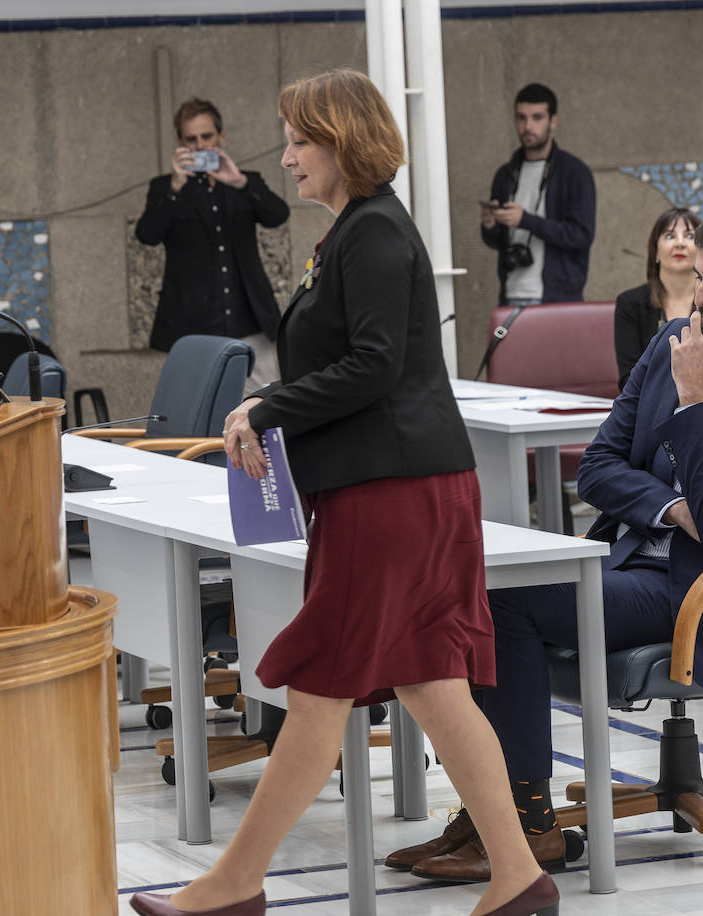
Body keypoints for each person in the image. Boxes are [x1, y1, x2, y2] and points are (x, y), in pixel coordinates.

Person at [129, 69, 555, 916]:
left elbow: (374, 365)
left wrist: (265, 404)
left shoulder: (374, 235)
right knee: (432, 682)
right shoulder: (356, 232)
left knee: (322, 687)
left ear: (342, 143)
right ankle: (518, 877)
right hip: (404, 486)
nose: (285, 159)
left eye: (298, 142)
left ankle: (235, 883)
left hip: (391, 494)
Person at [389, 210, 703, 883]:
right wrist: (679, 508)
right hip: (633, 560)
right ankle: (495, 812)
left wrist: (694, 398)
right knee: (473, 587)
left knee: (497, 596)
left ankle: (526, 825)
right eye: (698, 280)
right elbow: (596, 468)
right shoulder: (670, 344)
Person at [134, 97, 290, 389]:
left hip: (251, 320)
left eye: (207, 136)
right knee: (199, 417)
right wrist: (175, 188)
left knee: (263, 409)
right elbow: (147, 235)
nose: (201, 145)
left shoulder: (246, 181)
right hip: (192, 326)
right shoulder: (164, 188)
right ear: (180, 143)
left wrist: (239, 182)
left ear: (222, 136)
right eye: (191, 139)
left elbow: (278, 215)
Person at [481, 83, 596, 307]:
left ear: (553, 121)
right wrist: (490, 225)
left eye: (537, 117)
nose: (528, 126)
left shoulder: (574, 172)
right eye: (521, 118)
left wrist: (526, 220)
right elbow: (496, 241)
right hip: (511, 294)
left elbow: (581, 235)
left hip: (558, 297)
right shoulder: (505, 174)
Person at [613, 206, 701, 389]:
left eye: (690, 236)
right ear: (656, 252)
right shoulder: (630, 304)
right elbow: (628, 380)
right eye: (669, 236)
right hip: (650, 407)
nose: (680, 243)